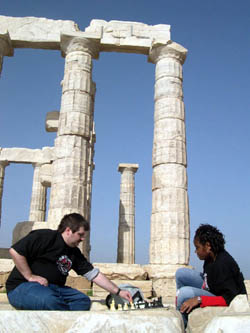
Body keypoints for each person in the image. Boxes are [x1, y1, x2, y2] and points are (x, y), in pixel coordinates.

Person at [6, 213, 132, 310]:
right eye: (80, 235)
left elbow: (94, 274)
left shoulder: (74, 252)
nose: (83, 239)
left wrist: (118, 291)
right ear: (68, 231)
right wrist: (30, 276)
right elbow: (15, 251)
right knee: (50, 300)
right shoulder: (44, 236)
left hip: (54, 288)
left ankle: (58, 313)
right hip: (22, 286)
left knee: (83, 301)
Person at [175, 224, 247, 327]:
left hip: (228, 298)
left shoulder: (223, 264)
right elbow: (208, 278)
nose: (195, 251)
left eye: (197, 248)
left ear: (208, 246)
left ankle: (184, 326)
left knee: (183, 293)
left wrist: (199, 299)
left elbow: (230, 299)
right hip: (213, 288)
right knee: (181, 274)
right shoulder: (210, 257)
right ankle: (185, 310)